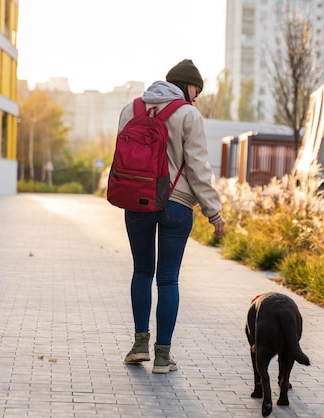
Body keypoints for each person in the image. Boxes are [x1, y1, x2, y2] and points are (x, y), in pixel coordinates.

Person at [119, 59, 225, 373]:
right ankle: (163, 356)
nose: (196, 97)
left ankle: (139, 345)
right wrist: (213, 211)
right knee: (168, 280)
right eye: (197, 90)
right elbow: (198, 168)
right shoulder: (188, 114)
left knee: (141, 272)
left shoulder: (130, 109)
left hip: (136, 202)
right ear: (187, 85)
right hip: (175, 205)